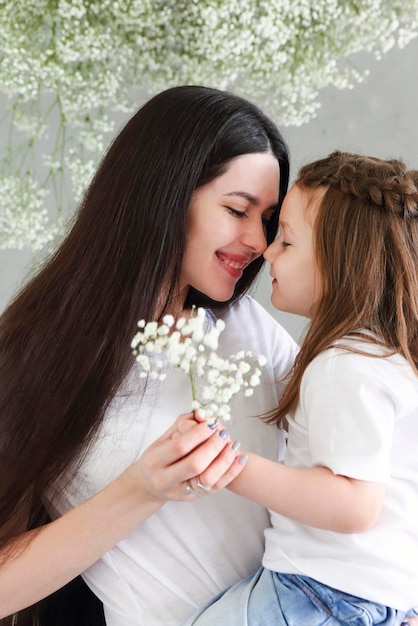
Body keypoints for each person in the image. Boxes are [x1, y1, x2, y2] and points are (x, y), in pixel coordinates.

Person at [0, 85, 299, 625]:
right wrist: (142, 489)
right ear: (164, 193)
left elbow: (358, 472)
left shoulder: (250, 331)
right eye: (237, 210)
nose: (258, 240)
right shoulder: (38, 357)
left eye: (269, 220)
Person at [182, 150, 418, 625]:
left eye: (285, 241)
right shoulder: (388, 361)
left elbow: (353, 504)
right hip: (379, 600)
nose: (266, 251)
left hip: (320, 595)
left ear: (340, 262)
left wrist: (229, 466)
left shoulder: (344, 366)